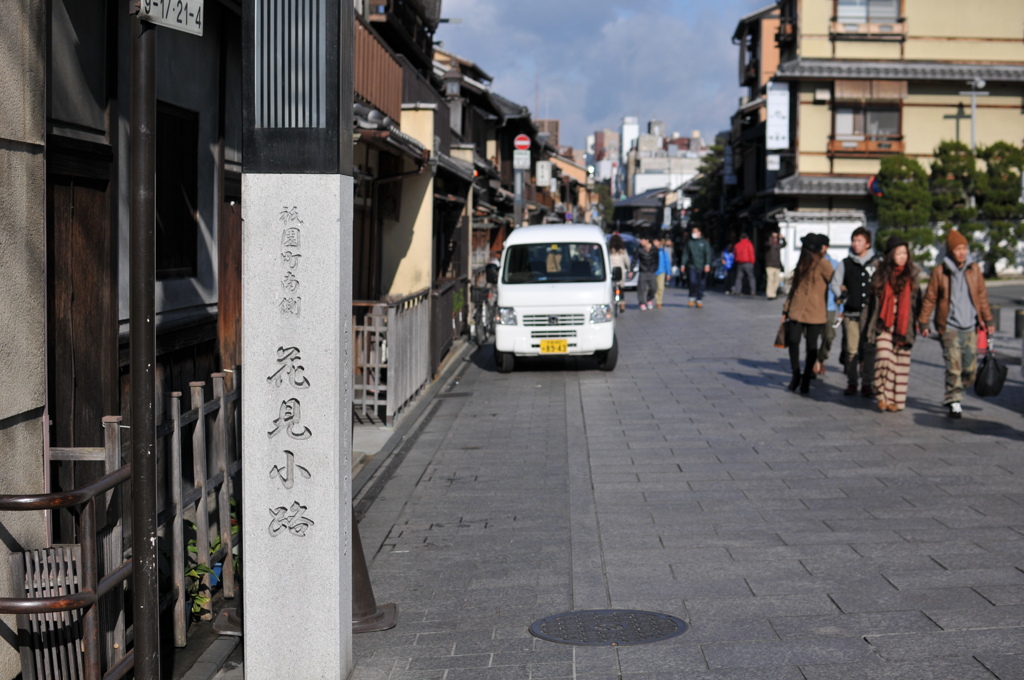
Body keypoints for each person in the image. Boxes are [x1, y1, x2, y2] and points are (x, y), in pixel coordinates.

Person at [918, 228, 994, 418]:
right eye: (958, 248)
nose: (962, 252)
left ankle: (958, 391)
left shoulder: (974, 269)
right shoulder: (940, 271)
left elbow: (982, 295)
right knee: (953, 367)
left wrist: (988, 319)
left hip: (970, 326)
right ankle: (954, 400)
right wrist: (924, 322)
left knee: (969, 370)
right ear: (951, 250)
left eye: (964, 248)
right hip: (949, 326)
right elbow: (930, 298)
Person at [862, 236, 923, 412]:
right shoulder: (880, 275)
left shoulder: (913, 275)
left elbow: (918, 303)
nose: (903, 256)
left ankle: (895, 401)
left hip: (904, 326)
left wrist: (923, 324)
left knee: (900, 365)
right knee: (883, 358)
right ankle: (882, 395)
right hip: (884, 325)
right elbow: (871, 304)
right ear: (890, 255)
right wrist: (866, 328)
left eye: (905, 253)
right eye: (899, 253)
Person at [831, 227, 882, 397]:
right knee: (851, 350)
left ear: (867, 244)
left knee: (869, 349)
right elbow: (835, 283)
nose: (855, 244)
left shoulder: (877, 264)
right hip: (851, 313)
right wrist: (842, 296)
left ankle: (867, 383)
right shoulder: (846, 263)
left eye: (859, 241)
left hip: (871, 315)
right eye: (853, 240)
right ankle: (852, 382)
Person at [782, 234, 834, 393]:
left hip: (815, 312)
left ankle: (806, 378)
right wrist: (786, 309)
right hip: (796, 310)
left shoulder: (824, 264)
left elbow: (836, 282)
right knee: (793, 340)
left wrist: (844, 295)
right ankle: (796, 373)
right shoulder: (802, 263)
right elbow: (794, 288)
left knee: (812, 347)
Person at [814, 236, 840, 377]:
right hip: (813, 307)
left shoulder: (835, 264)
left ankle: (821, 357)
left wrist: (841, 309)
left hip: (830, 306)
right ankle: (814, 361)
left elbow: (840, 288)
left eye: (822, 246)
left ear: (827, 247)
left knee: (829, 335)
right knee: (811, 337)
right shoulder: (811, 263)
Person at [681, 226, 714, 308]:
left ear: (700, 233)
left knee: (701, 283)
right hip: (692, 265)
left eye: (695, 231)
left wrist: (707, 264)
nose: (694, 233)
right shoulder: (690, 243)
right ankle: (691, 297)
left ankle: (699, 299)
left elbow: (708, 254)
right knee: (692, 281)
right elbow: (686, 254)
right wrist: (683, 264)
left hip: (702, 266)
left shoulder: (704, 243)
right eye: (693, 232)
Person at [635, 236, 659, 311]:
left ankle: (649, 299)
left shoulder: (654, 249)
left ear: (647, 240)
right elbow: (635, 259)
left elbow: (657, 260)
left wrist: (655, 268)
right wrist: (631, 270)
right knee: (641, 288)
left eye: (642, 240)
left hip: (651, 271)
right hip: (643, 270)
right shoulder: (639, 249)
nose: (640, 242)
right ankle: (642, 302)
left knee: (654, 287)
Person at [608, 234, 631, 313]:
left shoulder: (609, 250)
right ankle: (622, 303)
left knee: (611, 288)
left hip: (610, 271)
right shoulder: (622, 250)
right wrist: (628, 268)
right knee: (620, 288)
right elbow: (627, 260)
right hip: (620, 271)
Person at [764, 231, 786, 300]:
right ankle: (770, 294)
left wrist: (783, 238)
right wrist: (772, 238)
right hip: (769, 265)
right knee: (770, 280)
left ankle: (773, 293)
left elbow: (785, 244)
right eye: (774, 237)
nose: (775, 239)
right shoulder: (768, 244)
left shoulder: (778, 245)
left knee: (777, 281)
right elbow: (768, 245)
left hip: (777, 265)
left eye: (776, 237)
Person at [654, 236, 672, 308]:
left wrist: (668, 273)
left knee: (660, 287)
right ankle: (653, 299)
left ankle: (659, 301)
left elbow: (667, 262)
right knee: (653, 287)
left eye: (656, 242)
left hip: (661, 271)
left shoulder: (663, 251)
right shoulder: (651, 250)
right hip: (652, 271)